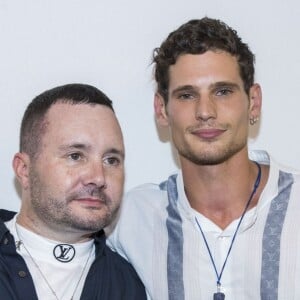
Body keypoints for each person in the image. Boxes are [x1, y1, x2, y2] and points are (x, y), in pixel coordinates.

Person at [107, 17, 300, 300]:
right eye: (187, 95)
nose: (205, 111)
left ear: (253, 102)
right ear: (162, 110)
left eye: (222, 92)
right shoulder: (130, 219)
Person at [0, 83, 147, 299]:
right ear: (24, 170)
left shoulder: (128, 285)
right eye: (75, 156)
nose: (98, 178)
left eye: (111, 160)